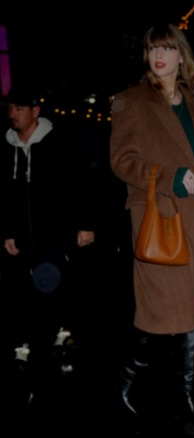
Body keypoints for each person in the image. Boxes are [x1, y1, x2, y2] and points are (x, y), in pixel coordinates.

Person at [108, 23, 194, 435]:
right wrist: (168, 176)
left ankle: (188, 395)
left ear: (180, 55)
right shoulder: (132, 101)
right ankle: (127, 381)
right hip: (164, 221)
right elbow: (122, 161)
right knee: (161, 318)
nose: (158, 56)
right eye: (151, 48)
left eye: (165, 48)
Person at [1, 84, 96, 411]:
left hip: (56, 232)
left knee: (51, 284)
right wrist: (9, 231)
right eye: (10, 108)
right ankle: (30, 340)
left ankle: (55, 335)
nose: (12, 114)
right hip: (24, 235)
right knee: (22, 288)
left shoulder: (58, 143)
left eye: (18, 108)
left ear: (34, 112)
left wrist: (85, 223)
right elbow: (8, 194)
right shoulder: (9, 146)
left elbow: (81, 182)